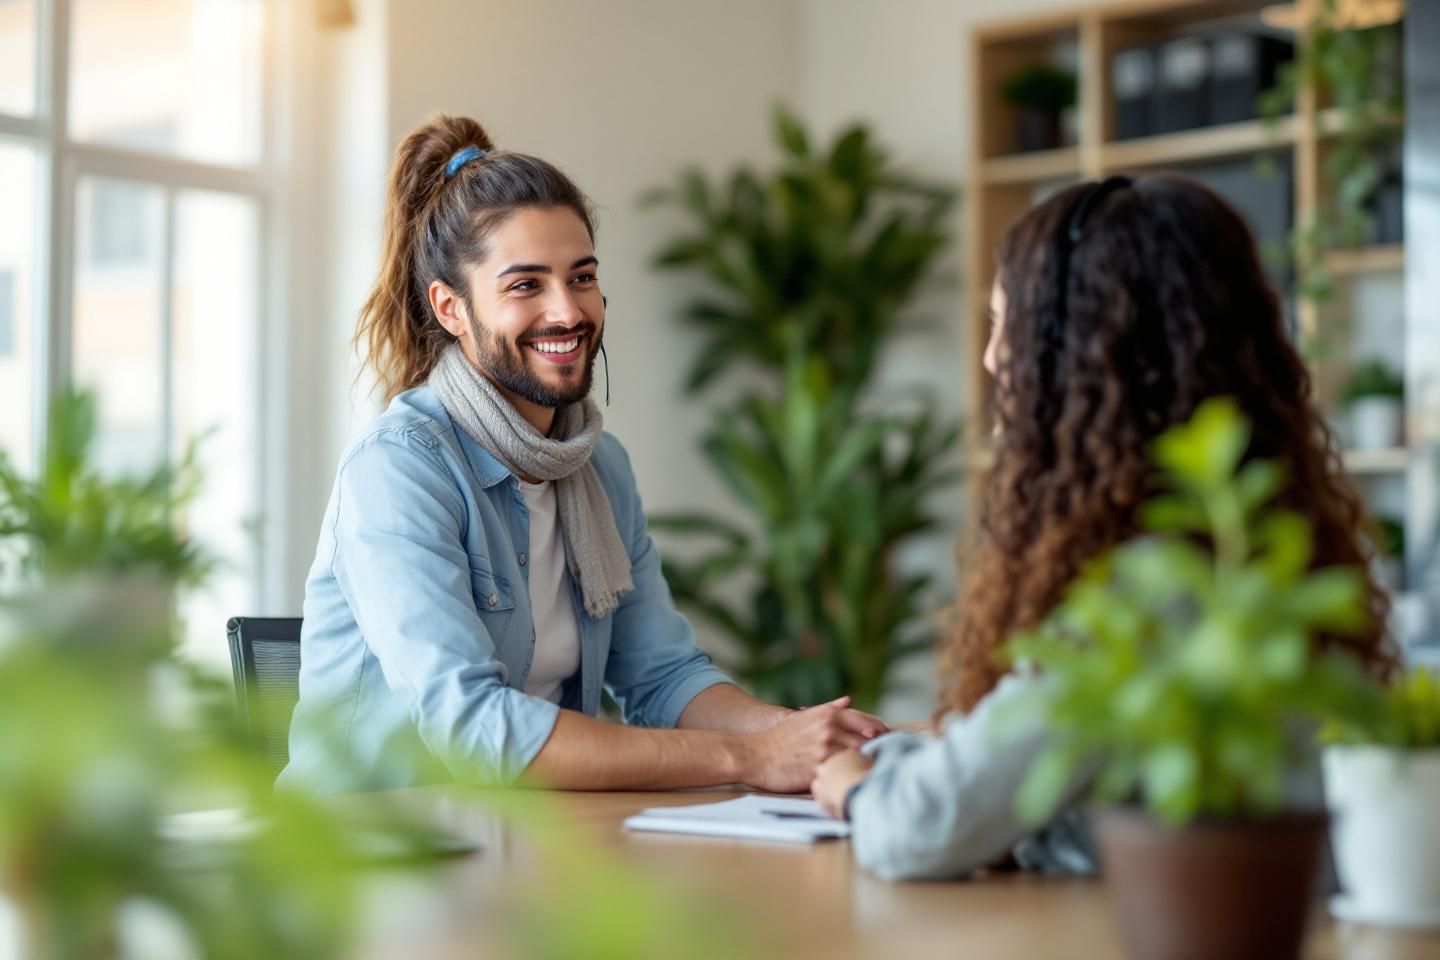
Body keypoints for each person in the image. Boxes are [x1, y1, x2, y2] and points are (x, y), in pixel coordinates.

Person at [809, 174, 1397, 878]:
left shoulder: (1150, 588)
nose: (993, 359)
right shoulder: (1282, 551)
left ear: (1087, 352)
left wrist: (858, 786)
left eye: (1008, 327)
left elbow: (917, 829)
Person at [279, 115, 883, 794]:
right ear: (450, 309)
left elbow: (662, 676)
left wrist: (803, 735)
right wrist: (753, 759)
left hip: (533, 841)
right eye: (525, 285)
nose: (567, 311)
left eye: (582, 277)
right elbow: (473, 728)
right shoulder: (399, 468)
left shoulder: (598, 467)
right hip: (368, 858)